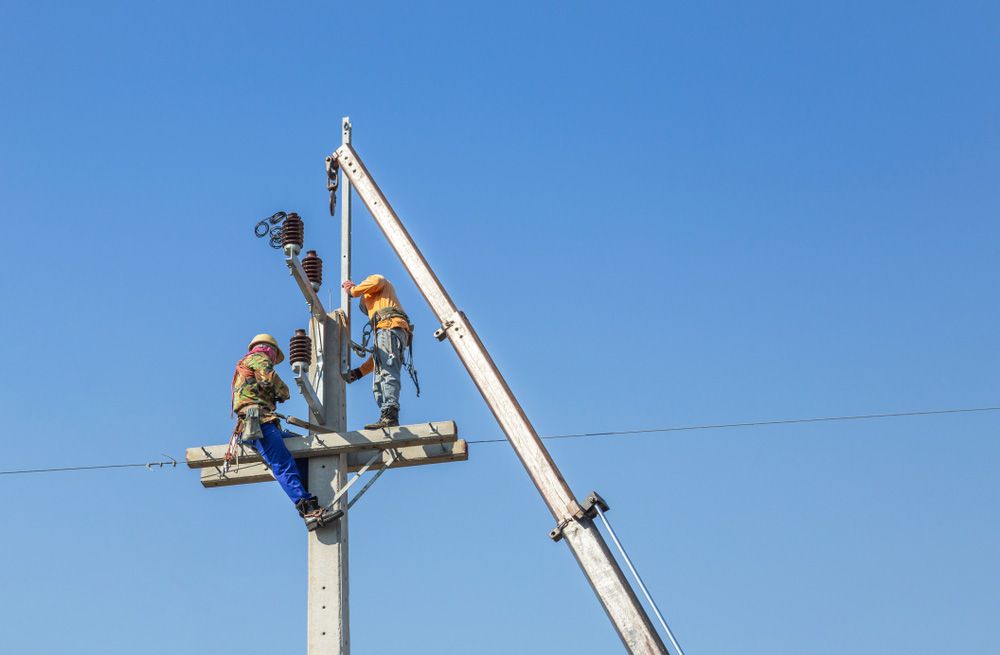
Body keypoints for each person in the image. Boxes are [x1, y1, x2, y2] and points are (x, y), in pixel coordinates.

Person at [231, 333, 340, 530]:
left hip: (263, 422)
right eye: (273, 355)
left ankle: (310, 491)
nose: (273, 359)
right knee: (282, 463)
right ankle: (308, 510)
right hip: (258, 423)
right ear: (268, 349)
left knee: (302, 451)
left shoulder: (247, 363)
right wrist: (284, 392)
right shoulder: (258, 358)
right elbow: (268, 380)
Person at [341, 275, 413, 429]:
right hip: (391, 331)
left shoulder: (377, 285)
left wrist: (353, 290)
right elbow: (378, 359)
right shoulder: (381, 325)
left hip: (390, 327)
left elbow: (378, 280)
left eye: (366, 305)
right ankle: (386, 416)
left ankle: (390, 415)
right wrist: (359, 372)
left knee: (387, 372)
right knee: (379, 379)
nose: (368, 309)